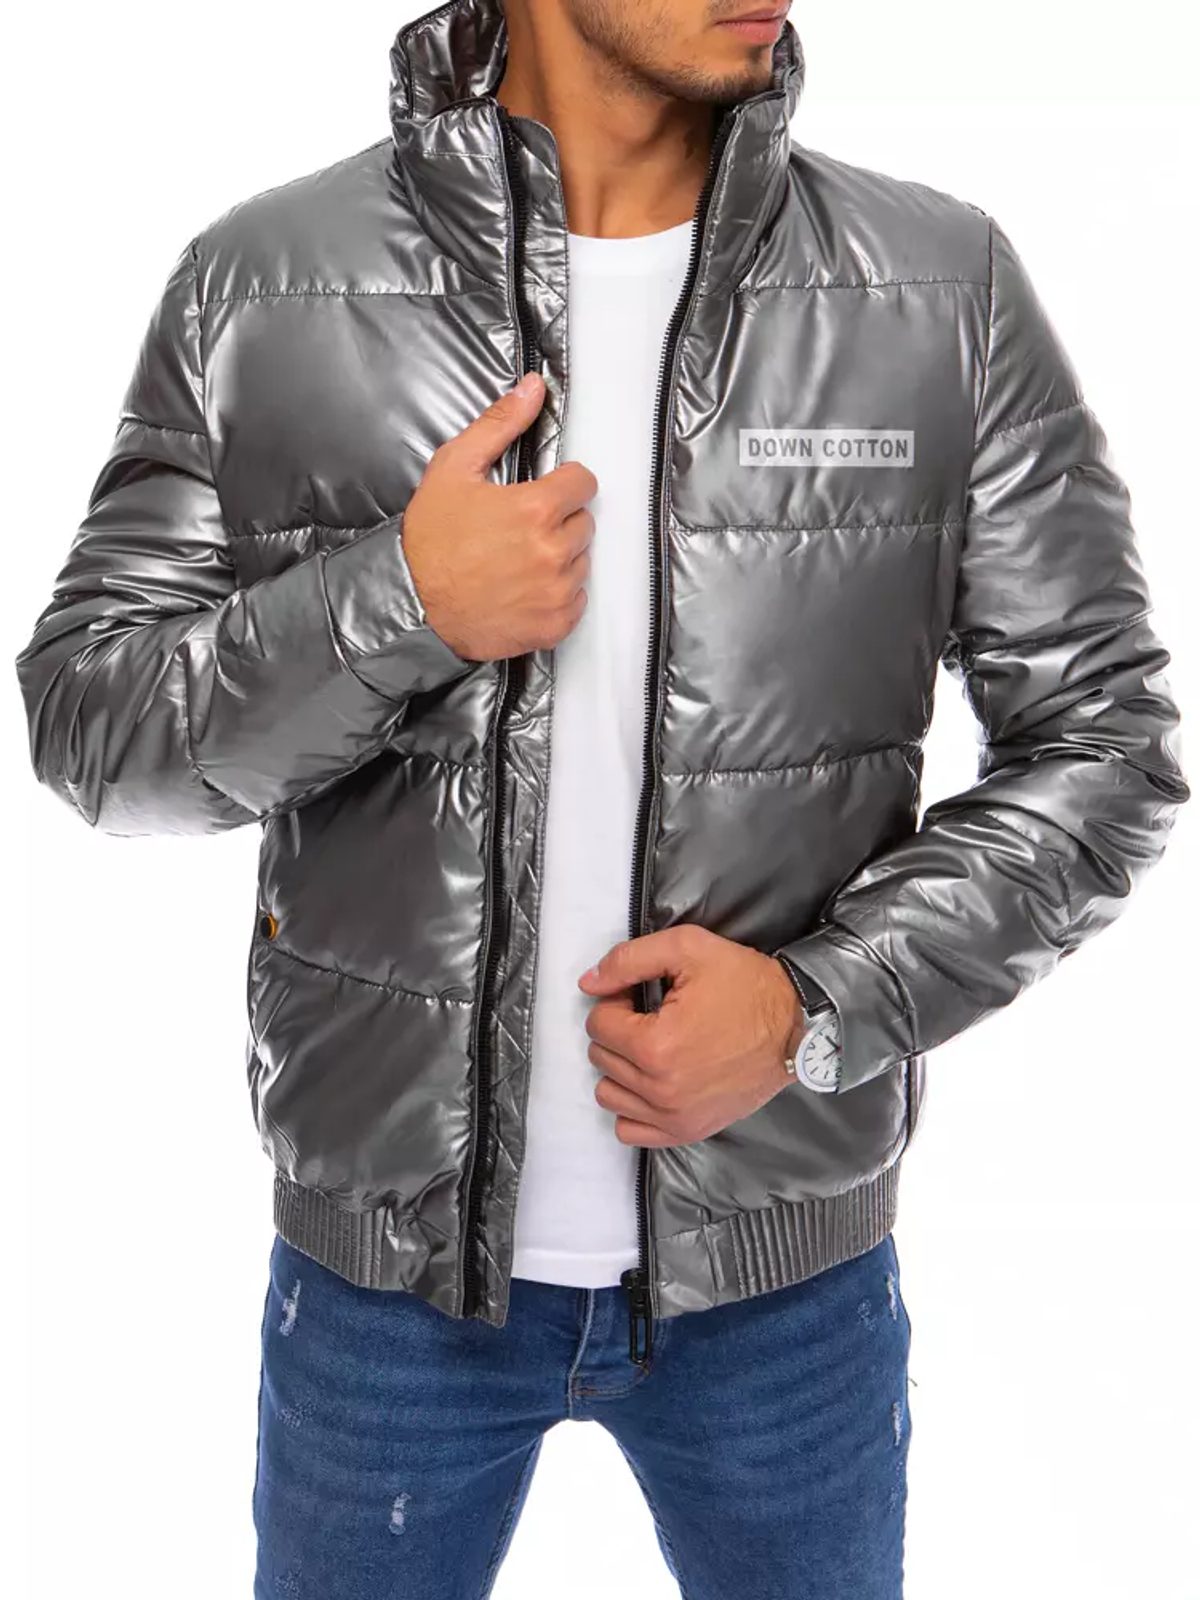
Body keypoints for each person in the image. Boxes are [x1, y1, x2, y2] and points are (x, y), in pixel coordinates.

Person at [14, 0, 1189, 1594]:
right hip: (384, 1299)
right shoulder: (266, 282)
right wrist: (404, 604)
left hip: (788, 1299)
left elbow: (1108, 747)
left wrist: (810, 1008)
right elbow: (92, 730)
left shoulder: (938, 286)